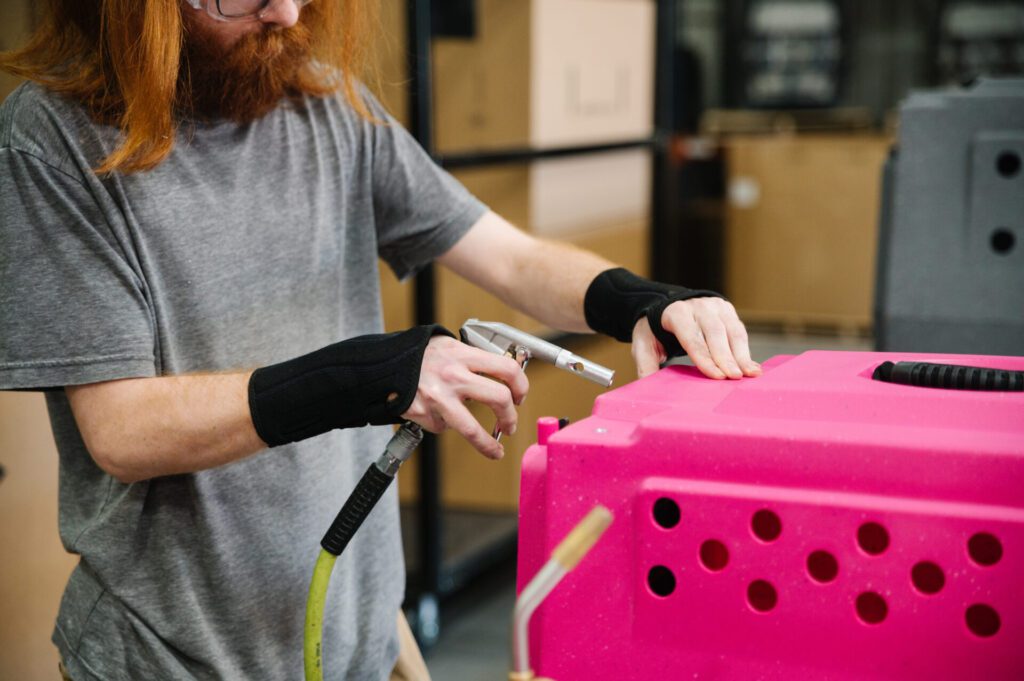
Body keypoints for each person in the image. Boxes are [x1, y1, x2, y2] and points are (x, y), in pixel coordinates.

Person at [0, 1, 761, 679]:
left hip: (357, 635)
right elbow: (122, 431)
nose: (287, 14)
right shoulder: (53, 140)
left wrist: (632, 299)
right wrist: (360, 379)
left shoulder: (327, 105)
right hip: (170, 658)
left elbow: (509, 258)